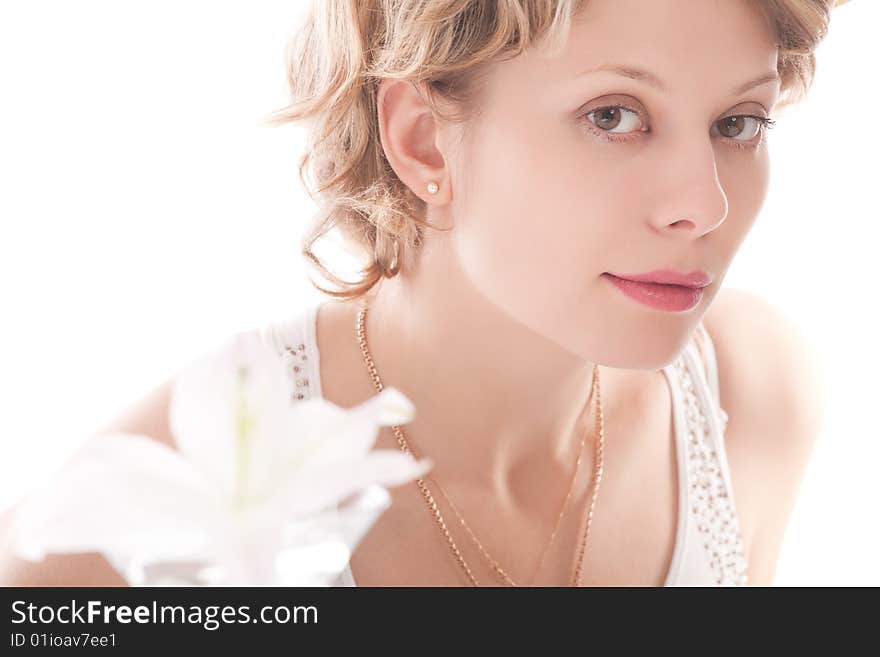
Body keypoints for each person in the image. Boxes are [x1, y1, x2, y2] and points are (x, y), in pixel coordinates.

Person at [0, 0, 836, 587]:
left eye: (739, 123)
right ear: (423, 140)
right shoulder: (135, 522)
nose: (704, 204)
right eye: (614, 116)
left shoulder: (753, 396)